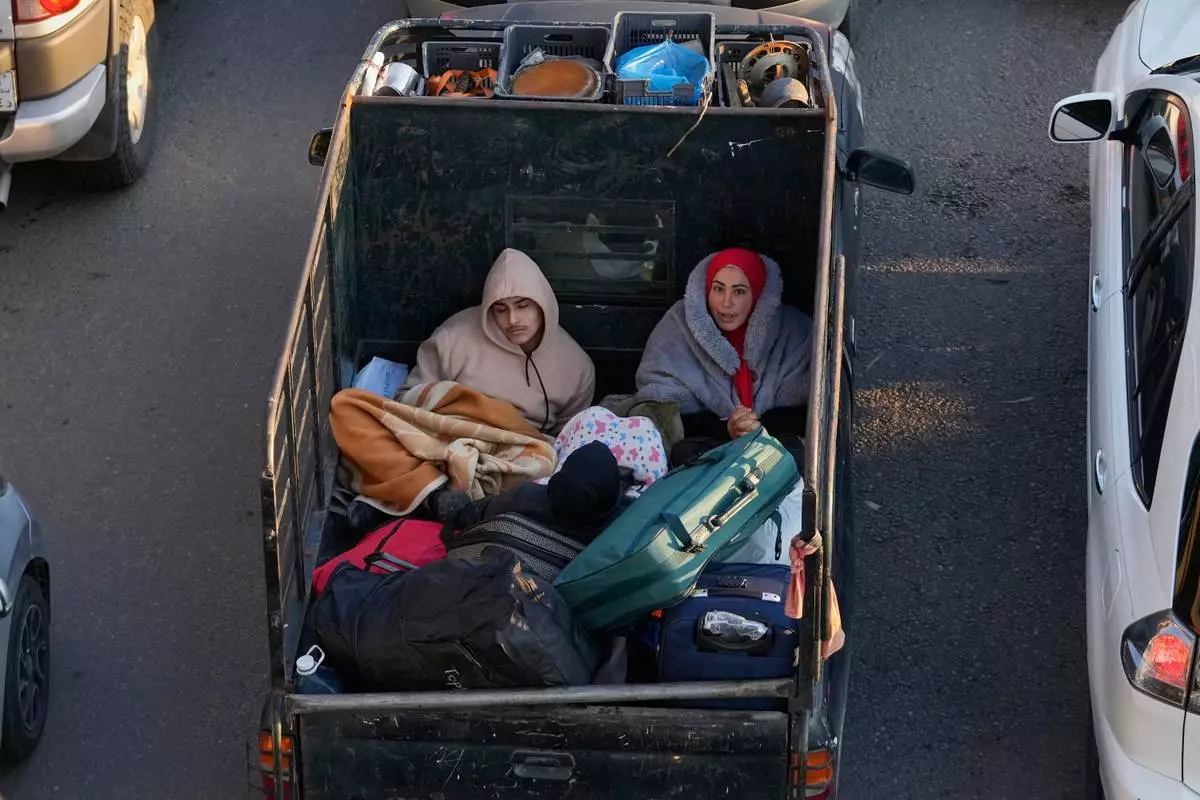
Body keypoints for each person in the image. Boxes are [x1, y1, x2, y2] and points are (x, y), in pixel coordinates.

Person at [634, 247, 812, 460]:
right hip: (704, 457)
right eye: (718, 289)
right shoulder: (676, 327)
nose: (726, 302)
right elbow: (659, 412)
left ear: (758, 293)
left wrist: (759, 426)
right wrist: (724, 429)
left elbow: (813, 408)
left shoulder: (795, 331)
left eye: (739, 291)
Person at [401, 248, 595, 434]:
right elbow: (406, 401)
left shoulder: (577, 366)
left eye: (522, 306)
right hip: (452, 438)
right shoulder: (452, 339)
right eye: (501, 309)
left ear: (543, 304)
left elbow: (568, 438)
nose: (512, 319)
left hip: (530, 448)